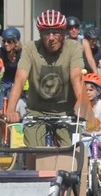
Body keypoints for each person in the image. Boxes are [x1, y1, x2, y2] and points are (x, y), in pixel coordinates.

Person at [5, 10, 84, 147]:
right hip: (37, 110)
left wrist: (82, 105)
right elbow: (20, 79)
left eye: (56, 32)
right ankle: (31, 165)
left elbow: (76, 77)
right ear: (40, 34)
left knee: (73, 153)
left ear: (64, 33)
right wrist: (11, 110)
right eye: (46, 33)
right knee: (35, 152)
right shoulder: (30, 48)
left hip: (66, 110)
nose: (51, 37)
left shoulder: (74, 47)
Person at [0, 26, 23, 110]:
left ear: (16, 42)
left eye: (9, 41)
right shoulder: (1, 51)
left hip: (19, 84)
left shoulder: (22, 52)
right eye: (4, 41)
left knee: (16, 110)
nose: (6, 44)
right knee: (0, 111)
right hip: (5, 83)